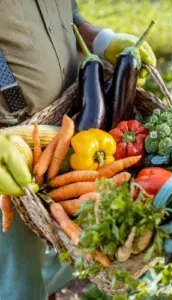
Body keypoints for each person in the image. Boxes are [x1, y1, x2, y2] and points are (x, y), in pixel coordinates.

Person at [0, 1, 156, 299]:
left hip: (73, 125)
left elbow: (67, 17)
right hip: (10, 150)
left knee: (64, 239)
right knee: (17, 284)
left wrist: (102, 39)